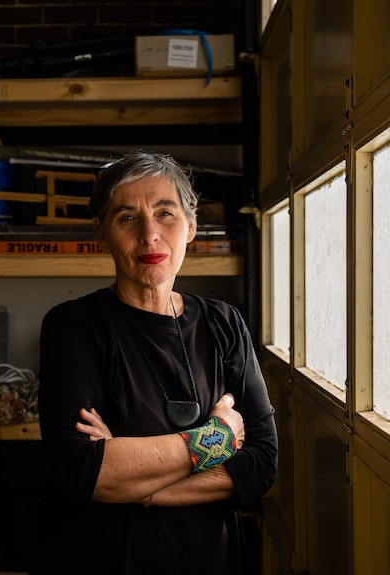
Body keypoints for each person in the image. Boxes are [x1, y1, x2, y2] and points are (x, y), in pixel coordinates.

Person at [33, 150, 278, 575]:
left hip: (211, 560)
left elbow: (260, 464)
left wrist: (141, 488)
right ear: (101, 232)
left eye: (165, 213)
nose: (149, 235)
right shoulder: (72, 328)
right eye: (127, 217)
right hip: (104, 560)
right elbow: (82, 472)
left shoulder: (224, 324)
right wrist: (216, 437)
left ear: (191, 227)